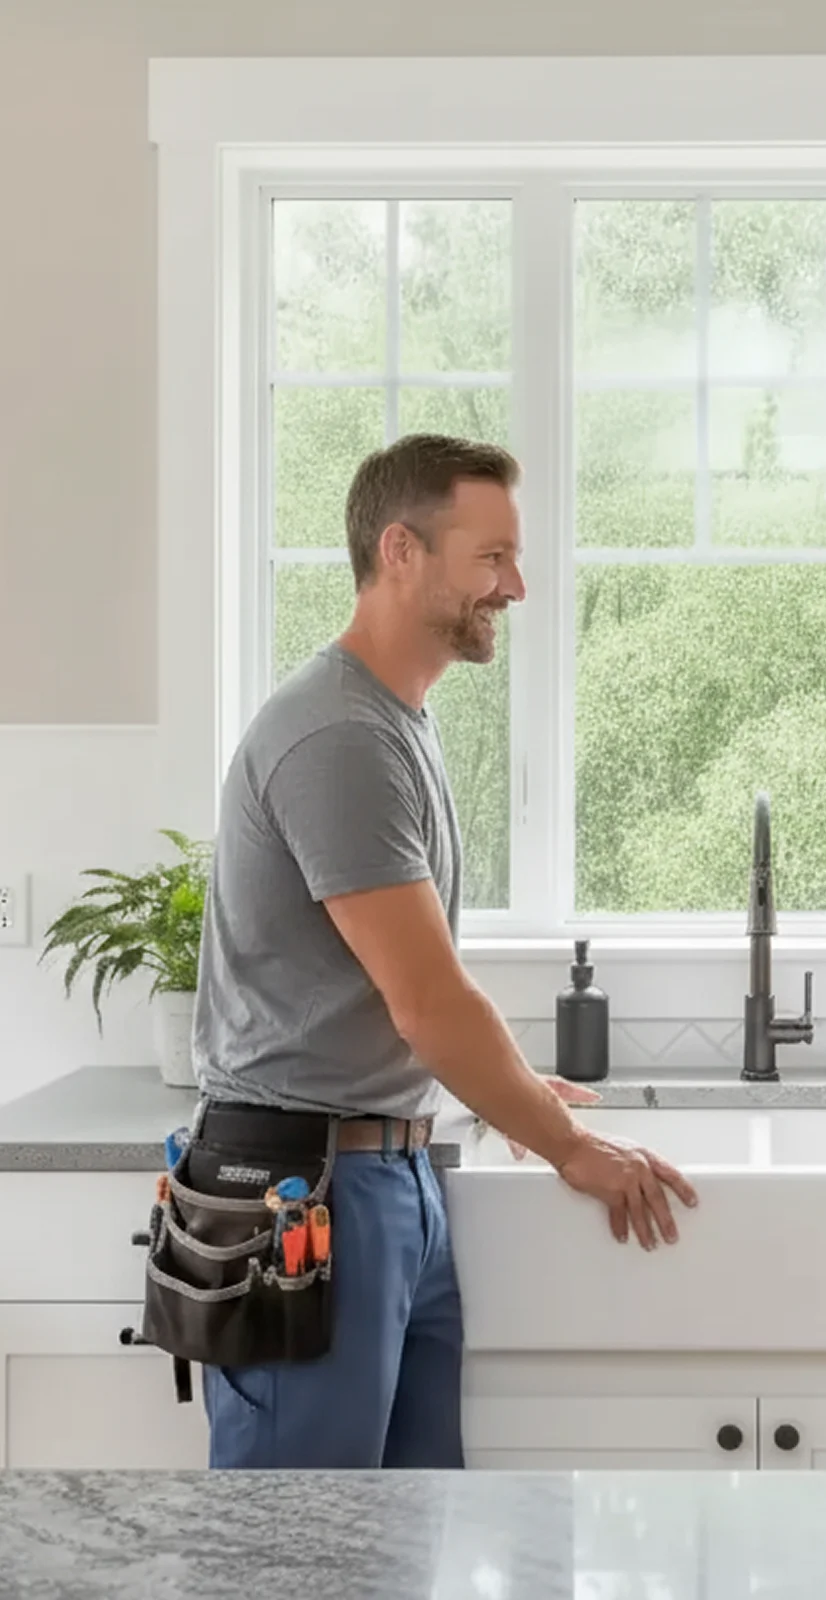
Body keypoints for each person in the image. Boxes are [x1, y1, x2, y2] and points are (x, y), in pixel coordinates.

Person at [189, 433, 697, 1470]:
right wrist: (570, 1145)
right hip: (306, 1192)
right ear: (401, 551)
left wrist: (506, 1087)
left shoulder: (395, 722)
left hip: (385, 1181)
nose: (515, 586)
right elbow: (427, 1000)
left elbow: (386, 1000)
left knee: (405, 1543)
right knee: (306, 1562)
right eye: (492, 557)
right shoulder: (338, 737)